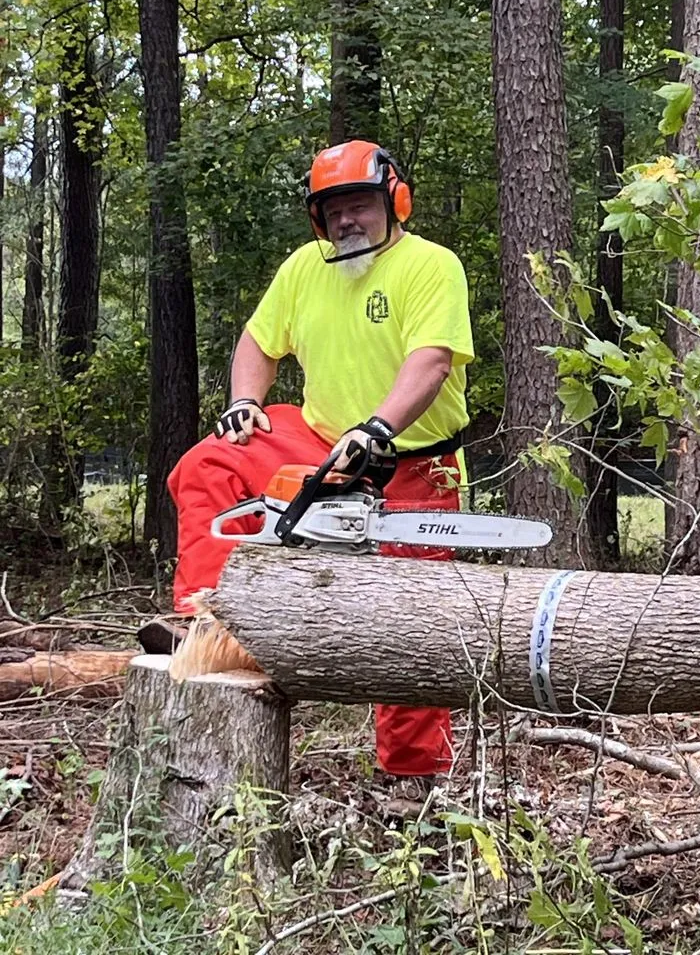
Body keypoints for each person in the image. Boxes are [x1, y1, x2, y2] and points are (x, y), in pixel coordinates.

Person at [148, 139, 474, 818]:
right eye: (335, 211)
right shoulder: (304, 268)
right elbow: (258, 343)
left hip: (414, 460)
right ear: (318, 221)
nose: (348, 221)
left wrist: (378, 427)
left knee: (409, 624)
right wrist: (245, 400)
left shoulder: (430, 266)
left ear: (395, 203)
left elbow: (433, 362)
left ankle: (412, 779)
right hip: (321, 437)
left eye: (360, 205)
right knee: (208, 464)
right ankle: (205, 617)